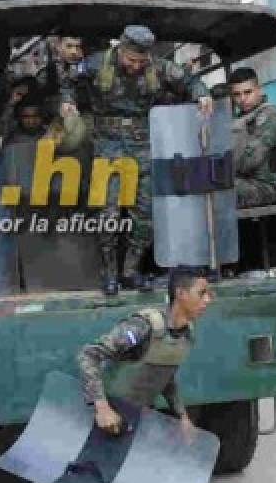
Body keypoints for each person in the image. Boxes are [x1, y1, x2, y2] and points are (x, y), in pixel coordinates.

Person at [55, 267, 211, 483]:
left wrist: (182, 416)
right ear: (180, 294)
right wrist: (100, 406)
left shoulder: (185, 335)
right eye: (202, 292)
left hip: (142, 419)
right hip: (112, 419)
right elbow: (89, 355)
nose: (209, 299)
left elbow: (165, 375)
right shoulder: (144, 327)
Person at [59, 25, 212, 296]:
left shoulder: (159, 67)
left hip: (143, 146)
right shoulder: (97, 63)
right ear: (121, 49)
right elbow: (68, 79)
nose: (136, 66)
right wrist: (68, 102)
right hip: (107, 145)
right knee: (108, 213)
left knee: (145, 214)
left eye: (141, 61)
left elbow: (188, 80)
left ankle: (130, 271)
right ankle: (109, 274)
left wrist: (201, 93)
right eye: (131, 60)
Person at [228, 67, 276, 207]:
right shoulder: (239, 119)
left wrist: (217, 169)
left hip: (261, 189)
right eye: (237, 94)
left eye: (247, 92)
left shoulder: (271, 115)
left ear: (259, 89)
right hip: (240, 182)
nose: (242, 99)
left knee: (209, 185)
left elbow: (250, 160)